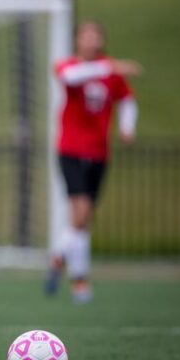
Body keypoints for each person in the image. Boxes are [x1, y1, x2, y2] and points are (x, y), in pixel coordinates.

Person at [45, 20, 141, 303]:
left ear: (101, 40)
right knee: (81, 212)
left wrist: (127, 126)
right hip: (71, 150)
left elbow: (127, 100)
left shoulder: (111, 71)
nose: (90, 40)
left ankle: (64, 262)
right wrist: (109, 67)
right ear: (77, 40)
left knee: (83, 220)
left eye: (95, 35)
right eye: (85, 35)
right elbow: (71, 78)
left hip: (99, 152)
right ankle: (78, 280)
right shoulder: (69, 65)